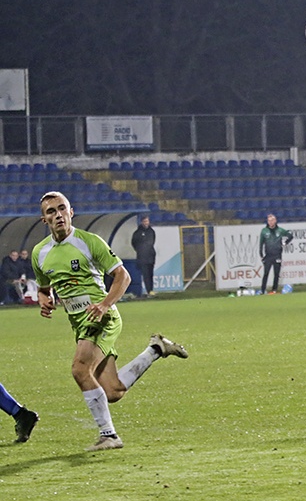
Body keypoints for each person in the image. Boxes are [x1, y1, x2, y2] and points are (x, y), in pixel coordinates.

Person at [32, 191, 189, 451]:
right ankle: (156, 349)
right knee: (113, 391)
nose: (58, 215)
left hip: (102, 318)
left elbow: (123, 277)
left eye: (62, 209)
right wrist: (43, 299)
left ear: (71, 213)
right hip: (80, 323)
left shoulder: (89, 242)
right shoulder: (40, 253)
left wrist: (105, 304)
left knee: (80, 370)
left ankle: (109, 435)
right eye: (51, 211)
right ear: (44, 220)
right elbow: (44, 287)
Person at [259, 213, 293, 294]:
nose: (270, 222)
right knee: (266, 273)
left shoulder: (280, 230)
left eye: (272, 220)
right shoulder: (264, 231)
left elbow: (290, 235)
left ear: (275, 221)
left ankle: (274, 289)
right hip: (268, 255)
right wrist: (261, 254)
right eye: (269, 220)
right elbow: (261, 243)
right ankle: (263, 290)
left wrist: (285, 242)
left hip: (277, 254)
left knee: (276, 273)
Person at [130, 214, 156, 297]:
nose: (146, 223)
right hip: (142, 258)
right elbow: (134, 243)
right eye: (145, 221)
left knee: (150, 274)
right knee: (145, 275)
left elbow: (152, 242)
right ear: (141, 222)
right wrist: (140, 250)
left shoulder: (151, 231)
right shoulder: (137, 233)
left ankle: (151, 290)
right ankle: (148, 290)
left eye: (147, 221)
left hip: (150, 257)